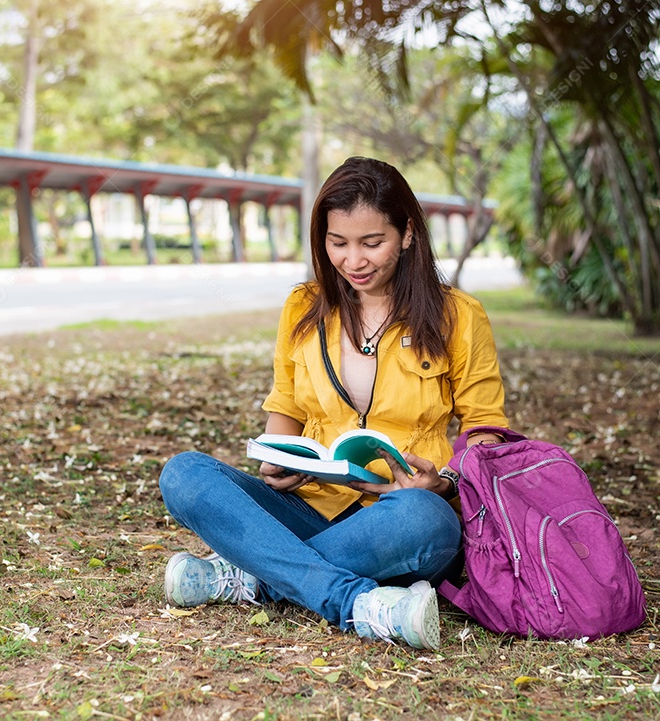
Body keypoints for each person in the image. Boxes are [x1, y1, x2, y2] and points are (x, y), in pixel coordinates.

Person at [158, 157, 508, 650]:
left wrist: (445, 483)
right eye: (337, 243)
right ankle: (355, 603)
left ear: (407, 234)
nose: (354, 261)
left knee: (425, 521)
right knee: (184, 474)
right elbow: (286, 406)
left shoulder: (458, 316)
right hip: (311, 503)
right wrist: (277, 460)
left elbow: (486, 428)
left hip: (401, 515)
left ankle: (252, 575)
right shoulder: (304, 306)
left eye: (372, 243)